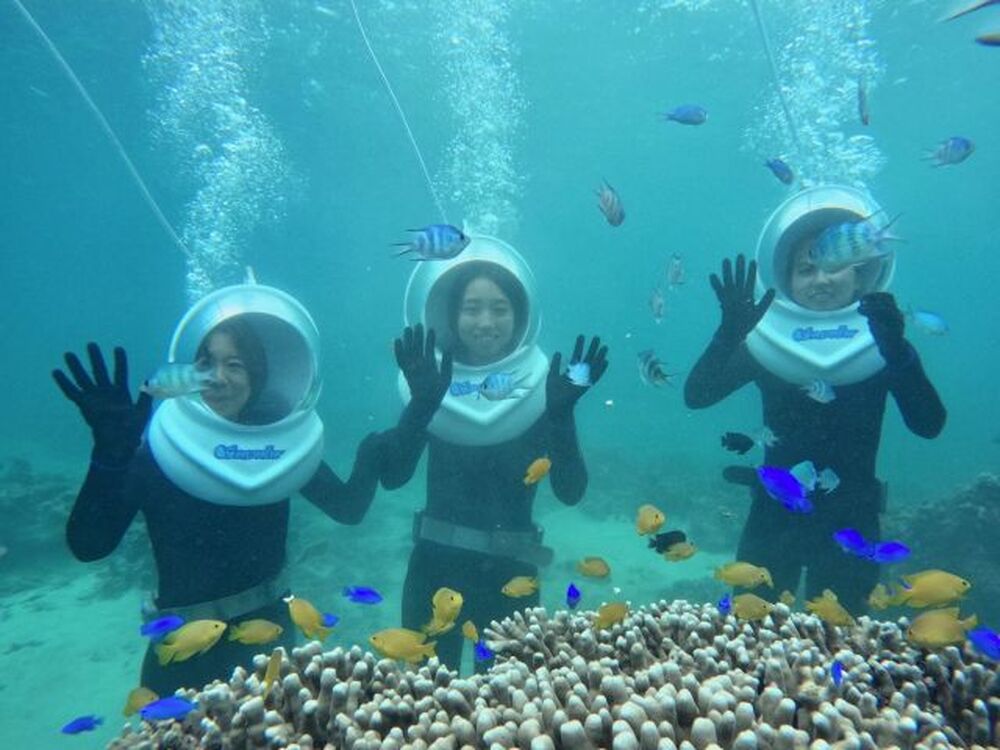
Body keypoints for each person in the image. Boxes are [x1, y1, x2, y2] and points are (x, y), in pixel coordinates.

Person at [53, 281, 450, 694]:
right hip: (180, 654)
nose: (218, 377)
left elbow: (348, 508)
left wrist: (418, 410)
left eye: (235, 365)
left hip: (267, 645)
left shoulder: (279, 448)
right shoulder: (163, 451)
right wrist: (110, 456)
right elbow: (89, 545)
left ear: (258, 376)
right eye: (206, 362)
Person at [684, 185, 946, 614]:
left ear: (862, 272)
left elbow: (929, 424)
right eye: (806, 269)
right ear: (784, 279)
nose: (821, 278)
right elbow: (697, 396)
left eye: (834, 266)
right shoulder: (767, 343)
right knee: (753, 629)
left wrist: (899, 352)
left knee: (845, 637)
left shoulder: (880, 341)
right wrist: (728, 333)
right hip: (772, 518)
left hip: (853, 521)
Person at [396, 235, 608, 670]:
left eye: (499, 308)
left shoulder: (540, 386)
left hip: (512, 577)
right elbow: (394, 475)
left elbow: (571, 491)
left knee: (507, 705)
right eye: (471, 308)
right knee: (423, 700)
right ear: (452, 314)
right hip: (433, 571)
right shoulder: (434, 380)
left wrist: (561, 414)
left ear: (520, 314)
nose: (485, 322)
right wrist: (420, 406)